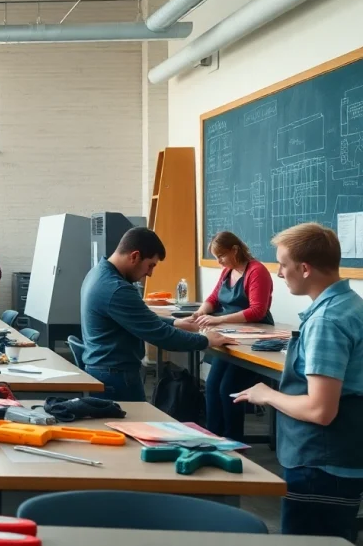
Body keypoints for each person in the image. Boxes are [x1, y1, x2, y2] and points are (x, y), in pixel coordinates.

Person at [235, 223, 363, 541]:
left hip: (320, 464)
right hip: (339, 459)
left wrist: (267, 395)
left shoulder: (326, 321)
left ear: (304, 268)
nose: (279, 273)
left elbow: (321, 410)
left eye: (283, 265)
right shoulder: (350, 305)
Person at [79, 227, 235, 401]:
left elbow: (137, 318)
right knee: (135, 428)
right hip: (116, 378)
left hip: (104, 371)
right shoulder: (117, 289)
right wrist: (206, 340)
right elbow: (162, 336)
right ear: (135, 256)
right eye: (150, 265)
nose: (150, 273)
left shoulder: (98, 273)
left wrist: (175, 323)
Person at [194, 231, 274, 441]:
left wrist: (219, 320)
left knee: (229, 387)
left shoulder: (257, 271)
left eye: (221, 256)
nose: (219, 261)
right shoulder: (228, 271)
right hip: (231, 333)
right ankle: (213, 437)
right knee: (212, 385)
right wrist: (201, 312)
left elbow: (257, 311)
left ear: (235, 250)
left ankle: (232, 441)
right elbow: (213, 298)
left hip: (254, 335)